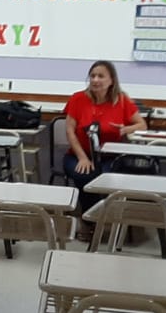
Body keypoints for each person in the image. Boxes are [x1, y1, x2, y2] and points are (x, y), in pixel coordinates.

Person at [62, 59, 150, 236]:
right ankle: (89, 222)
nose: (95, 80)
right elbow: (70, 131)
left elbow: (142, 125)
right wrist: (82, 157)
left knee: (106, 177)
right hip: (79, 155)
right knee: (85, 175)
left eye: (101, 76)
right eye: (93, 76)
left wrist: (126, 129)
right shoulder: (78, 99)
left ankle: (108, 219)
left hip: (111, 156)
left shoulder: (122, 100)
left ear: (111, 80)